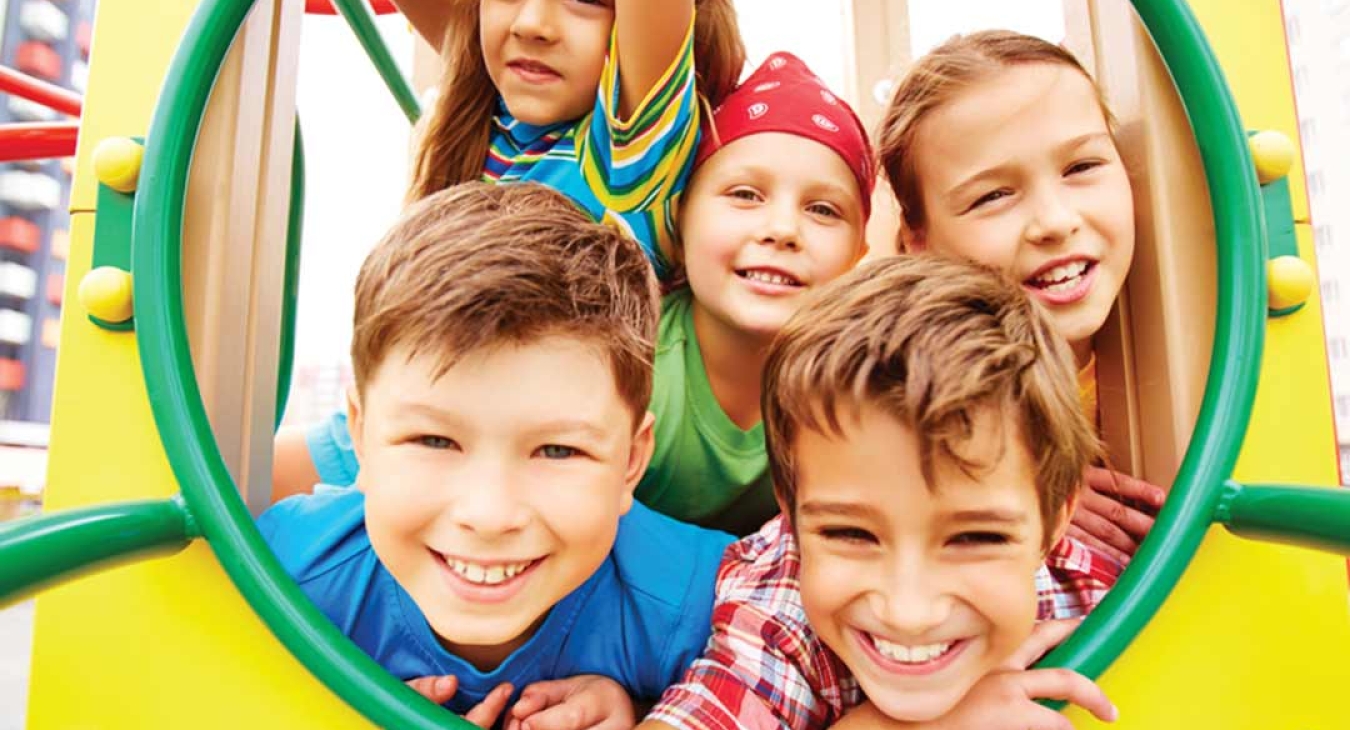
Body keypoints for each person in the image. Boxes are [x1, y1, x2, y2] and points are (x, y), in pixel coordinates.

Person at [257, 183, 734, 727]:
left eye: (557, 450)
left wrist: (652, 712)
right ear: (361, 438)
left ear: (631, 461)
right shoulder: (277, 572)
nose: (488, 514)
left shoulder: (706, 607)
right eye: (434, 441)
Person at [271, 0, 747, 503]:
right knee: (233, 493)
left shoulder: (629, 153)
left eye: (585, 1)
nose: (531, 24)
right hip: (428, 418)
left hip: (525, 451)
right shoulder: (487, 115)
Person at [641, 255, 1122, 730]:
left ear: (1054, 525)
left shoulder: (1102, 593)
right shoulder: (782, 616)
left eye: (976, 538)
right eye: (850, 533)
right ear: (791, 518)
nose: (909, 613)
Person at [877, 30, 1167, 564]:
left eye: (1081, 167)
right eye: (993, 196)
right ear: (917, 242)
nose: (1055, 222)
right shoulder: (907, 375)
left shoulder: (1165, 335)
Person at [637, 51, 874, 534]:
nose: (782, 229)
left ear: (858, 256)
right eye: (745, 195)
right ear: (680, 222)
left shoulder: (864, 385)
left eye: (824, 210)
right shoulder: (632, 365)